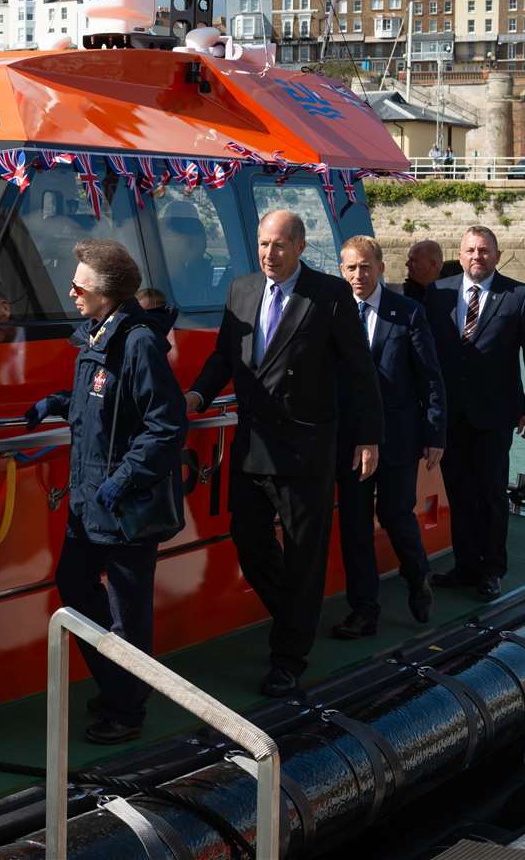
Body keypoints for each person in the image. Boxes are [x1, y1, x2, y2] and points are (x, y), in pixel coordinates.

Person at [185, 210, 383, 696]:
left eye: (277, 245)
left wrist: (368, 437)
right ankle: (296, 616)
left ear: (299, 246)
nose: (268, 255)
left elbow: (360, 371)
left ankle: (288, 656)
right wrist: (196, 396)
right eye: (262, 245)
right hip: (254, 443)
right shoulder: (242, 290)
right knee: (248, 540)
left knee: (303, 556)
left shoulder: (330, 295)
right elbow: (224, 357)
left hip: (306, 446)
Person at [23, 239, 186, 743]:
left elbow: (165, 426)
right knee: (73, 584)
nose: (71, 291)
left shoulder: (136, 342)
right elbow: (100, 402)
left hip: (122, 504)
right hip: (88, 498)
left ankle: (127, 709)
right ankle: (120, 683)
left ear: (106, 292)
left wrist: (120, 483)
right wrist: (56, 402)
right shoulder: (97, 335)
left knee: (126, 612)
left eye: (79, 284)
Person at [423, 226, 525, 602]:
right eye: (470, 251)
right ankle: (465, 566)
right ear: (459, 256)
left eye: (484, 250)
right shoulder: (438, 294)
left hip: (495, 415)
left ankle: (492, 569)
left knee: (492, 493)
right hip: (450, 415)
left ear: (497, 255)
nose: (477, 257)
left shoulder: (519, 296)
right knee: (458, 492)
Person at [330, 235, 446, 638]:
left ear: (380, 268)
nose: (358, 275)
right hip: (348, 439)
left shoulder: (408, 313)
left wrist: (435, 432)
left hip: (397, 436)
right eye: (350, 268)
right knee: (355, 524)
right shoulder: (331, 313)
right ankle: (364, 611)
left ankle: (418, 577)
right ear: (341, 271)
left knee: (396, 515)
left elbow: (430, 378)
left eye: (365, 267)